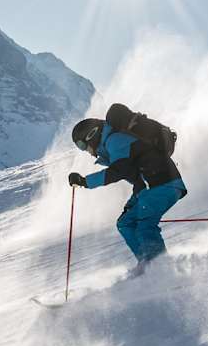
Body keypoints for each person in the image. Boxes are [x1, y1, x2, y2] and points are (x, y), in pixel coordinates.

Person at [68, 103, 186, 275]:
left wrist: (86, 181)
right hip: (153, 186)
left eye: (82, 145)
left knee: (145, 225)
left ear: (91, 135)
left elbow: (119, 170)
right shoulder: (112, 144)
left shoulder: (114, 140)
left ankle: (160, 270)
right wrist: (135, 199)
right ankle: (148, 264)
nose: (85, 150)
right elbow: (136, 174)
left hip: (162, 184)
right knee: (125, 223)